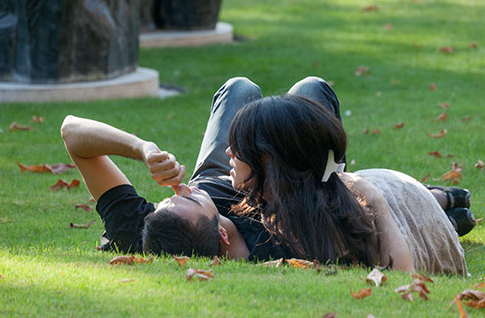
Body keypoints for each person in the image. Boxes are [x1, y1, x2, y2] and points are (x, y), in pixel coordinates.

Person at [61, 77, 472, 274]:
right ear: (221, 234)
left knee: (239, 89)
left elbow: (72, 132)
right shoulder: (292, 233)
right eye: (187, 197)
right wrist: (375, 203)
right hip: (270, 178)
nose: (178, 188)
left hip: (232, 176)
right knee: (310, 93)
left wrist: (143, 149)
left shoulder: (149, 228)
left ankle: (434, 198)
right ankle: (434, 204)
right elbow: (393, 268)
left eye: (170, 196)